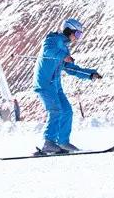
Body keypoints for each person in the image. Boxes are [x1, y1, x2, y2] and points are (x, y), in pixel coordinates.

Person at [33, 18, 101, 154]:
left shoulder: (65, 48)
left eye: (80, 35)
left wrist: (90, 74)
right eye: (77, 34)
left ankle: (63, 142)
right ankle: (48, 143)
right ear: (69, 30)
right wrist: (63, 56)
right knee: (56, 110)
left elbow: (70, 69)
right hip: (45, 83)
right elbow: (48, 50)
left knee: (67, 111)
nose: (78, 38)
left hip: (55, 86)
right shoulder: (52, 39)